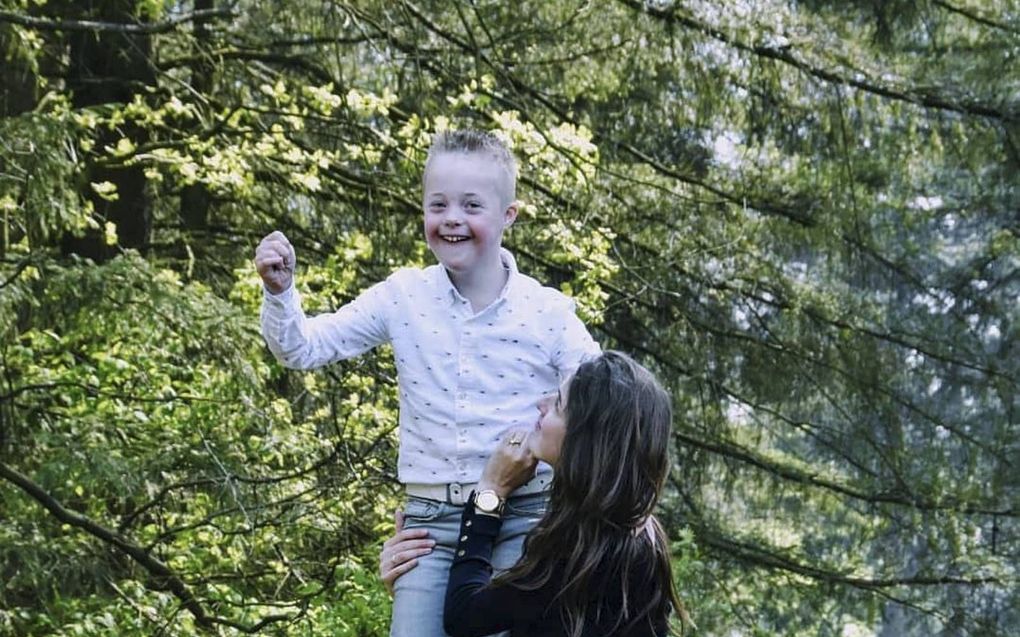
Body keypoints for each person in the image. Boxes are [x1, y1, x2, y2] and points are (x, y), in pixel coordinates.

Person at [254, 129, 599, 637]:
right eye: (438, 204)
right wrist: (281, 293)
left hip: (528, 518)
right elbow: (304, 347)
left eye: (471, 205)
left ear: (509, 217)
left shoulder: (547, 312)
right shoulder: (402, 297)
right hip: (429, 528)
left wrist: (583, 514)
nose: (452, 218)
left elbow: (605, 402)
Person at [382, 351, 693, 637]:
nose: (541, 404)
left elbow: (464, 616)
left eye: (558, 404)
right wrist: (415, 584)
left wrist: (491, 492)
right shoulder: (638, 535)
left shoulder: (577, 554)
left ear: (582, 443)